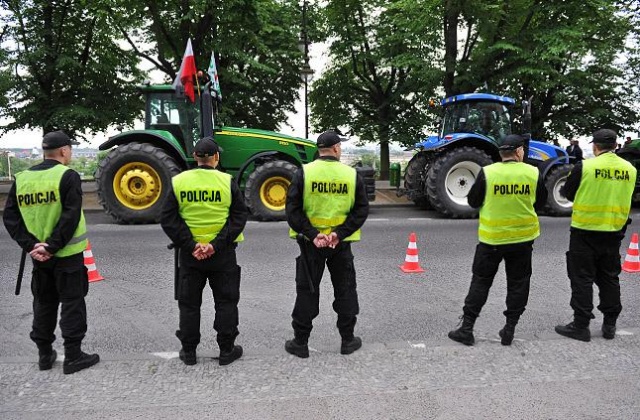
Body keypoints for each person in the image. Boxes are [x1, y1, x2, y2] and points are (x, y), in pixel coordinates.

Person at [3, 131, 100, 374]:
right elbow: (70, 215)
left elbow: (11, 217)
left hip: (38, 258)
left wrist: (32, 245)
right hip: (67, 255)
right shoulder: (67, 176)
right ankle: (74, 356)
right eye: (71, 149)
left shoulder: (23, 178)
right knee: (72, 303)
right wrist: (52, 246)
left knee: (43, 303)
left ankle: (45, 356)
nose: (71, 153)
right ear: (64, 151)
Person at [448, 134, 548, 346]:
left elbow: (473, 201)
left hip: (491, 241)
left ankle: (467, 329)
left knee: (480, 283)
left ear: (501, 153)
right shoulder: (533, 173)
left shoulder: (488, 173)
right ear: (519, 152)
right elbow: (540, 203)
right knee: (518, 284)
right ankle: (509, 329)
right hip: (522, 241)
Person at [160, 137, 248, 366]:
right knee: (226, 302)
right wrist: (215, 245)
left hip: (190, 257)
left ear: (195, 157)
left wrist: (191, 245)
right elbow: (238, 217)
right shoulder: (227, 181)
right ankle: (227, 350)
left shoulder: (179, 181)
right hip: (223, 255)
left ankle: (189, 352)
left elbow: (169, 219)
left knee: (189, 305)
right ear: (216, 157)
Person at [285, 130, 369, 358]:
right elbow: (361, 210)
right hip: (340, 246)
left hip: (310, 245)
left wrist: (314, 234)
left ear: (319, 150)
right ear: (336, 148)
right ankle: (348, 340)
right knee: (345, 291)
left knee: (307, 292)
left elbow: (292, 211)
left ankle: (300, 343)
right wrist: (338, 234)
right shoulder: (351, 175)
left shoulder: (304, 172)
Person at [555, 129, 636, 342]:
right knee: (609, 278)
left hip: (585, 231)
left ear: (595, 146)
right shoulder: (629, 169)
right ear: (615, 146)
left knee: (581, 278)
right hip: (614, 232)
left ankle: (581, 326)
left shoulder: (586, 166)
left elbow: (568, 193)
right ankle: (609, 324)